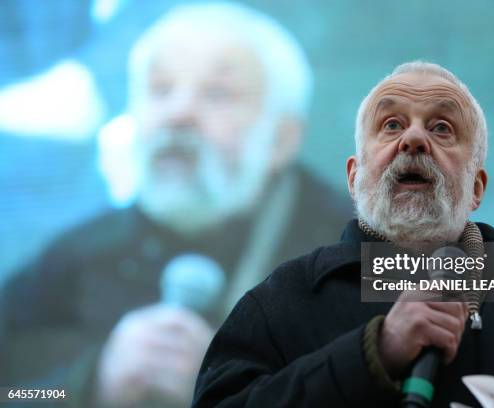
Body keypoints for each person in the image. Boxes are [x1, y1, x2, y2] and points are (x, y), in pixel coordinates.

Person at [192, 61, 494, 407]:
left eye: (443, 128)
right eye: (391, 125)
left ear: (476, 188)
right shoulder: (282, 299)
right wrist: (373, 353)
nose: (414, 139)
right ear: (354, 178)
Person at [0, 3, 350, 407]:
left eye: (217, 93)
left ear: (280, 140)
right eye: (160, 89)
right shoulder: (73, 259)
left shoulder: (363, 251)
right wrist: (92, 381)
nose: (178, 114)